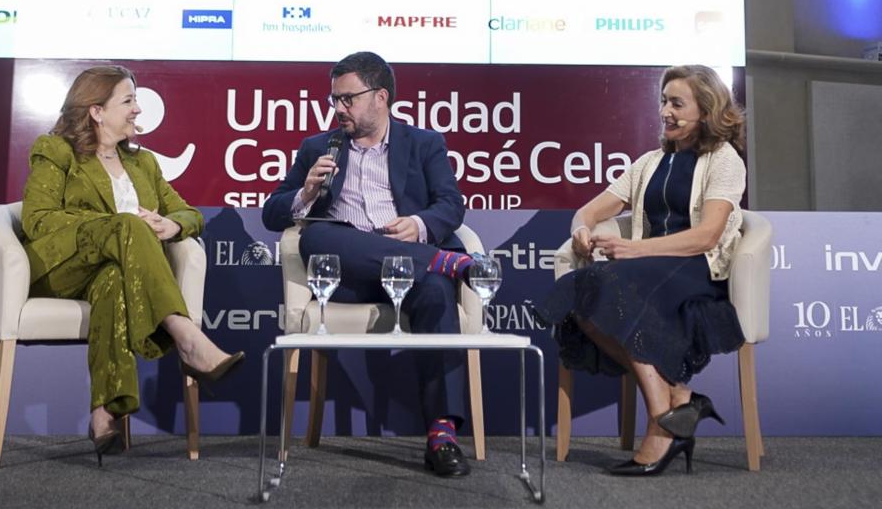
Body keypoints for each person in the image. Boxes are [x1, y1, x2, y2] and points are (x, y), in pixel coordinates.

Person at [263, 51, 479, 478]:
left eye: (348, 99)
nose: (338, 109)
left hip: (410, 274)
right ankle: (443, 261)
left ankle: (442, 435)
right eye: (334, 100)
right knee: (319, 235)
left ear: (380, 97)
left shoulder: (423, 143)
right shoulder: (317, 148)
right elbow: (272, 215)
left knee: (436, 291)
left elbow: (451, 204)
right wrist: (306, 194)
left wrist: (418, 225)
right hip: (352, 271)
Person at [21, 65, 244, 466]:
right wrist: (114, 228)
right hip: (63, 270)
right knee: (128, 225)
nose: (138, 110)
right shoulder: (55, 151)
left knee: (113, 279)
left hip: (108, 275)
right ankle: (187, 338)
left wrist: (171, 223)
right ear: (96, 111)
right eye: (128, 101)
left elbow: (190, 213)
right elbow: (38, 220)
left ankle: (105, 412)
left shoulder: (144, 165)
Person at [532, 64, 747, 476]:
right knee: (580, 291)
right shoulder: (650, 161)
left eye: (677, 104)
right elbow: (592, 210)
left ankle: (661, 428)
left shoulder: (724, 160)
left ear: (705, 110)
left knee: (609, 286)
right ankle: (672, 406)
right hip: (647, 267)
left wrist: (634, 249)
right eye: (664, 102)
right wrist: (580, 229)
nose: (666, 111)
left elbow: (707, 236)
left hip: (695, 270)